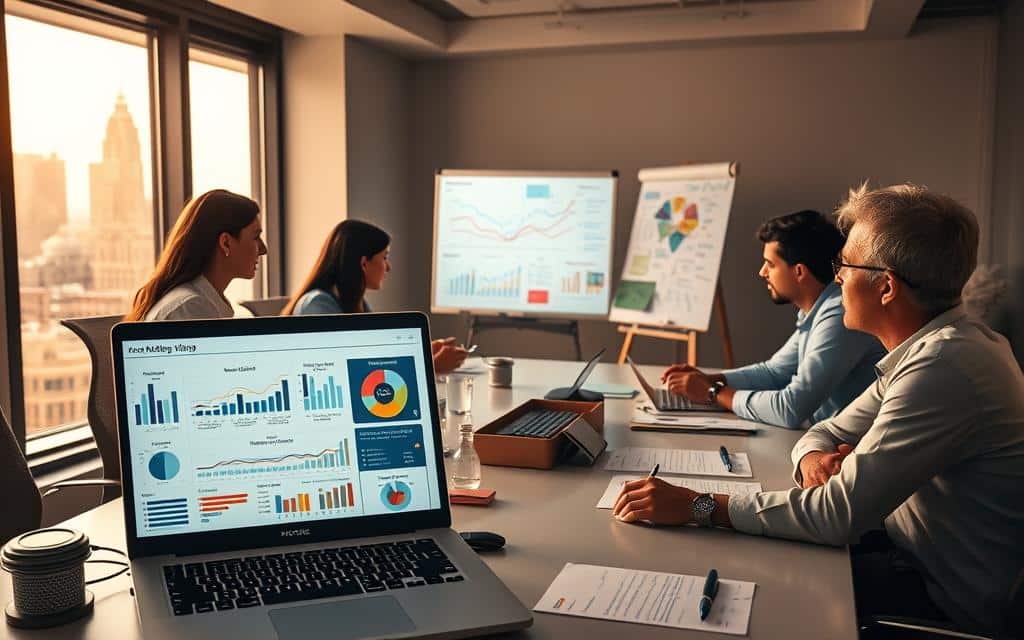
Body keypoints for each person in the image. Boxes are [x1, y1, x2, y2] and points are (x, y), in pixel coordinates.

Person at [612, 185, 1024, 635]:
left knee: (751, 590)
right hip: (902, 551)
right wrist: (813, 461)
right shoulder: (932, 347)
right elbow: (823, 430)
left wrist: (698, 504)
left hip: (944, 595)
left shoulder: (944, 367)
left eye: (845, 265)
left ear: (886, 286)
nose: (839, 278)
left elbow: (834, 516)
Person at [659, 210, 885, 429]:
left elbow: (791, 408)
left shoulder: (839, 315)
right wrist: (709, 379)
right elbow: (775, 372)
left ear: (799, 272)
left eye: (771, 264)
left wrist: (713, 393)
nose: (762, 272)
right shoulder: (820, 308)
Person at [283, 220, 468, 374]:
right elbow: (342, 371)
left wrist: (423, 353)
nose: (388, 267)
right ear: (364, 263)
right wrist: (429, 366)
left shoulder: (357, 302)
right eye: (384, 257)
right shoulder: (317, 305)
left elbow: (374, 358)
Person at [125, 189, 265, 321]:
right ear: (226, 243)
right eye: (256, 237)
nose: (263, 249)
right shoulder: (191, 309)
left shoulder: (198, 304)